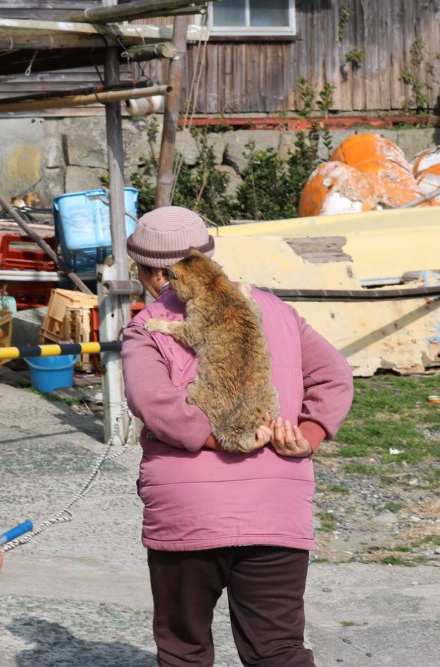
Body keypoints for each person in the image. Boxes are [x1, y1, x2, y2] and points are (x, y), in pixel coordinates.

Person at [121, 206, 354, 667]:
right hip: (277, 509)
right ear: (208, 256)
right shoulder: (274, 309)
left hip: (189, 514)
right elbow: (335, 374)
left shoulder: (147, 326)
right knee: (278, 650)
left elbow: (156, 404)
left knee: (184, 649)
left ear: (149, 272)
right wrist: (307, 435)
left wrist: (217, 439)